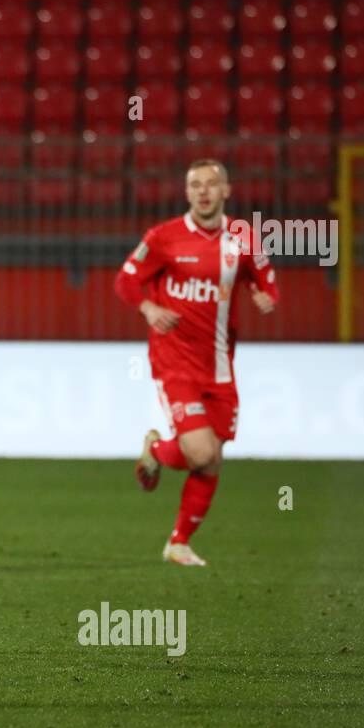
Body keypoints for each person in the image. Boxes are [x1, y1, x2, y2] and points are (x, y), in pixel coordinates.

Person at [115, 159, 278, 566]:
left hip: (220, 364)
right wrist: (149, 308)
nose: (204, 191)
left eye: (212, 184)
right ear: (187, 193)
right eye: (195, 185)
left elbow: (268, 282)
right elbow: (125, 280)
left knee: (212, 459)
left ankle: (178, 542)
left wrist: (267, 298)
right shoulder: (163, 237)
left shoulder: (243, 239)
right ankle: (159, 447)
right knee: (203, 453)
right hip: (174, 362)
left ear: (227, 191)